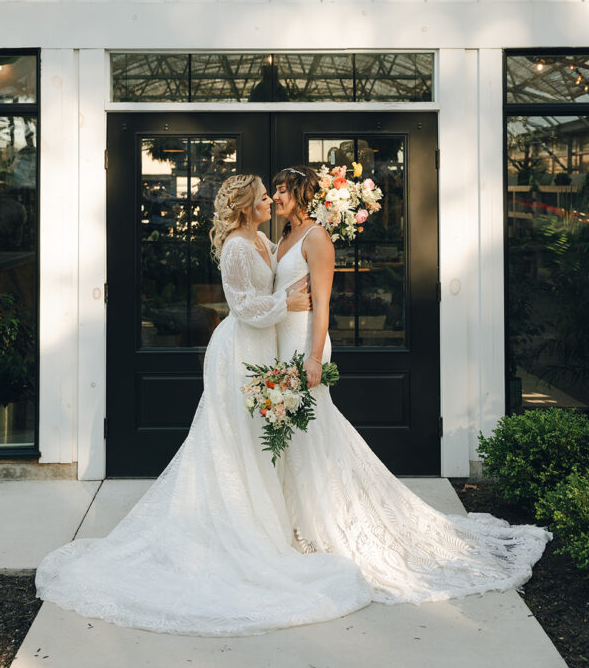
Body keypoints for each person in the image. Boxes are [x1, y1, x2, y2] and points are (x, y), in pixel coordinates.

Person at [35, 173, 371, 635]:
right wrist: (285, 304)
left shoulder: (265, 238)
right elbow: (242, 304)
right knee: (234, 440)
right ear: (245, 206)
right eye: (262, 196)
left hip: (268, 348)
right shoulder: (237, 245)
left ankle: (280, 524)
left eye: (277, 193)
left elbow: (300, 285)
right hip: (240, 350)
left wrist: (295, 318)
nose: (271, 200)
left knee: (258, 441)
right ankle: (240, 528)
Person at [271, 165, 553, 604]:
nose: (276, 195)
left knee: (309, 430)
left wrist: (312, 355)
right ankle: (291, 522)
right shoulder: (285, 236)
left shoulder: (316, 238)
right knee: (294, 435)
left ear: (303, 194)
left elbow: (322, 304)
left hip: (304, 345)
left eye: (283, 189)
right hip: (278, 343)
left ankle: (318, 527)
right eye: (275, 189)